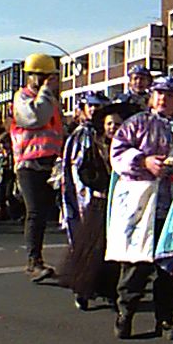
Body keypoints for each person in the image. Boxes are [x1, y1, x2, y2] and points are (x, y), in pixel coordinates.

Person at [106, 76, 173, 340]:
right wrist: (143, 161)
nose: (164, 99)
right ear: (151, 98)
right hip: (141, 205)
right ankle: (125, 313)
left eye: (170, 95)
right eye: (159, 94)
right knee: (136, 263)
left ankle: (165, 319)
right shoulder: (137, 123)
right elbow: (117, 151)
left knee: (169, 265)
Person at [60, 91, 119, 311]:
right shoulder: (88, 140)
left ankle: (110, 290)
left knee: (113, 250)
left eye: (116, 124)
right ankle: (83, 289)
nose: (112, 127)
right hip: (94, 200)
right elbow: (80, 170)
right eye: (109, 123)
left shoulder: (124, 145)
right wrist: (99, 185)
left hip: (117, 204)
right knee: (91, 248)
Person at [10, 53, 63, 282]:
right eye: (41, 76)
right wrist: (46, 91)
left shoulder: (50, 99)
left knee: (45, 214)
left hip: (49, 163)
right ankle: (33, 262)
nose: (45, 80)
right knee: (35, 212)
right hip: (29, 164)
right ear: (30, 76)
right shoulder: (22, 97)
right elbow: (35, 118)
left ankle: (39, 260)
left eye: (49, 76)